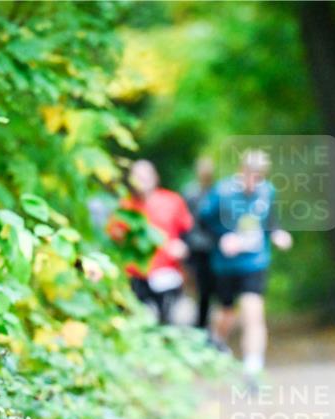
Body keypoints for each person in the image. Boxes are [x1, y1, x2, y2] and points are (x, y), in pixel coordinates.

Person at [202, 149, 292, 378]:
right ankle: (217, 342)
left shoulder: (267, 191)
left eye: (260, 177)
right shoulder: (222, 191)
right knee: (227, 313)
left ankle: (253, 366)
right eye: (251, 176)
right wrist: (222, 237)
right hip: (226, 265)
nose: (255, 183)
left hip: (255, 262)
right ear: (241, 171)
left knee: (253, 311)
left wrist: (277, 233)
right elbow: (203, 221)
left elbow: (270, 220)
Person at [116, 160, 193, 325]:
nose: (142, 180)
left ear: (155, 177)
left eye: (146, 176)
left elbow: (189, 232)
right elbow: (116, 238)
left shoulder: (172, 201)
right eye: (137, 176)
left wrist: (183, 247)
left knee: (169, 319)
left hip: (167, 272)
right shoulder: (126, 206)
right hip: (135, 274)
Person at [182, 156, 217, 329]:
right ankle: (197, 323)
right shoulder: (190, 193)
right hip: (194, 247)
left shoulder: (217, 192)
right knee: (195, 286)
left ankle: (204, 323)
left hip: (213, 248)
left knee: (209, 289)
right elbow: (184, 220)